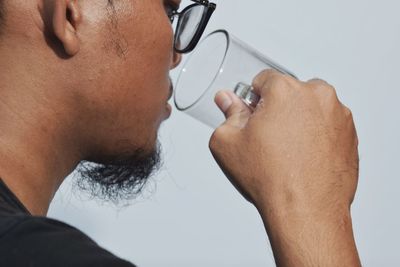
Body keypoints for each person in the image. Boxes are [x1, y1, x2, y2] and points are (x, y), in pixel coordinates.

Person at [0, 0, 361, 266]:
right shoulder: (40, 256)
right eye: (170, 11)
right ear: (69, 14)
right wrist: (311, 208)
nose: (177, 55)